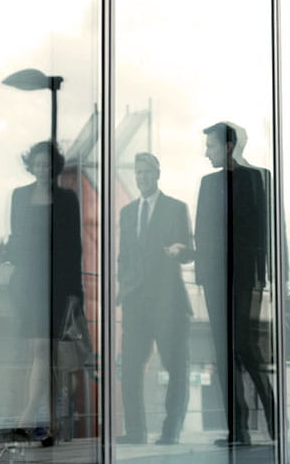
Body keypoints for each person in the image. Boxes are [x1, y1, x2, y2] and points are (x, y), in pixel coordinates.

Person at [187, 121, 276, 447]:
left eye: (210, 145)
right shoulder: (207, 183)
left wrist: (262, 275)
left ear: (227, 146)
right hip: (214, 277)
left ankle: (273, 414)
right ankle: (237, 430)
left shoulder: (255, 178)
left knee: (244, 346)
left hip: (244, 276)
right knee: (224, 352)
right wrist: (199, 271)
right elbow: (203, 231)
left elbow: (261, 231)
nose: (206, 152)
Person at [8, 141, 83, 445]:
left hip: (58, 283)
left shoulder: (68, 198)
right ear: (31, 166)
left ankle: (27, 415)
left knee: (42, 349)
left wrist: (76, 292)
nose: (41, 170)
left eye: (46, 165)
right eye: (37, 165)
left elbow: (74, 246)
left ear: (55, 168)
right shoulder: (19, 195)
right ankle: (51, 426)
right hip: (27, 282)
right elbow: (16, 237)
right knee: (44, 356)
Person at [116, 152, 193, 445]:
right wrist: (124, 284)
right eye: (138, 172)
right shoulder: (127, 212)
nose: (142, 178)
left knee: (175, 368)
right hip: (136, 301)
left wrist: (180, 249)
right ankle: (135, 432)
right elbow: (125, 255)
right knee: (131, 368)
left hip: (167, 301)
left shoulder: (176, 208)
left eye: (147, 172)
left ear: (157, 174)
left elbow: (188, 249)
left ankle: (170, 432)